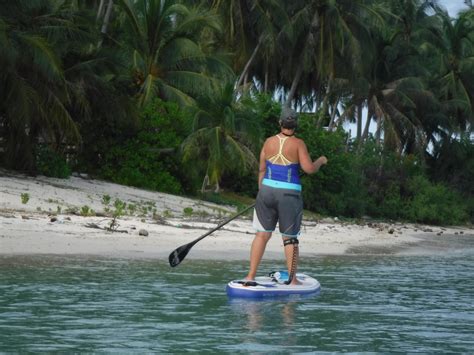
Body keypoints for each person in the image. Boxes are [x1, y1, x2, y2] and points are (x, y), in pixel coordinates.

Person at [245, 107, 328, 285]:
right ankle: (293, 280)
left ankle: (250, 276)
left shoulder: (268, 142)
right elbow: (308, 169)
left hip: (265, 191)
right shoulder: (298, 144)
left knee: (261, 234)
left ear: (280, 123)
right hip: (289, 194)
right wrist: (320, 161)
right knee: (289, 238)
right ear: (295, 125)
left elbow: (261, 169)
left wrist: (262, 193)